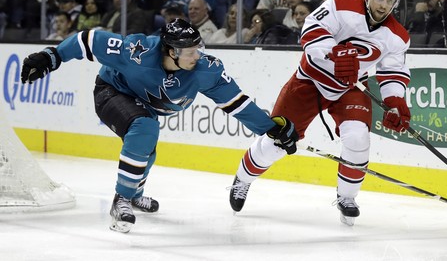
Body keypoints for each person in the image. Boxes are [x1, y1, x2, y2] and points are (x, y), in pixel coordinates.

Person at [20, 18, 299, 233]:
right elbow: (87, 40)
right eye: (189, 51)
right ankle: (122, 200)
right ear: (170, 50)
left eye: (198, 49)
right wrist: (51, 57)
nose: (196, 56)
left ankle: (135, 194)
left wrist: (269, 128)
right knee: (144, 129)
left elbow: (237, 104)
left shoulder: (205, 70)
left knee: (147, 149)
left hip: (144, 106)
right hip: (111, 92)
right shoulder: (136, 51)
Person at [229, 0, 411, 226]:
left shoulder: (398, 36)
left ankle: (347, 197)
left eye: (389, 0)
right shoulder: (341, 5)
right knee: (276, 142)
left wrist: (395, 101)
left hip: (350, 87)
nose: (383, 5)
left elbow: (393, 71)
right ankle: (242, 180)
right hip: (309, 81)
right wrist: (334, 55)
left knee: (358, 137)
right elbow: (311, 31)